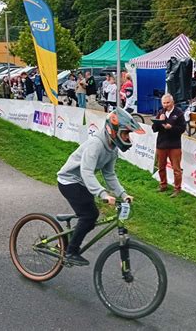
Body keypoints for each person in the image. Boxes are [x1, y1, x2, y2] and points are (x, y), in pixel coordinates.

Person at [57, 108, 145, 266]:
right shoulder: (96, 144)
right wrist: (102, 194)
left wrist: (123, 194)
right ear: (114, 130)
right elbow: (86, 171)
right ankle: (71, 252)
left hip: (82, 182)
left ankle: (65, 243)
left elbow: (109, 174)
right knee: (89, 215)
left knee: (89, 216)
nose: (127, 137)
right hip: (69, 180)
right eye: (125, 133)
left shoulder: (112, 148)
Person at [151, 94, 186, 198]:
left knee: (176, 169)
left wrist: (171, 127)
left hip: (174, 145)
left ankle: (177, 189)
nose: (166, 105)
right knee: (161, 166)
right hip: (161, 144)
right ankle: (163, 185)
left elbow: (182, 129)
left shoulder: (179, 113)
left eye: (168, 102)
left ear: (172, 102)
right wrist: (159, 122)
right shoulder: (161, 112)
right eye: (164, 103)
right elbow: (154, 129)